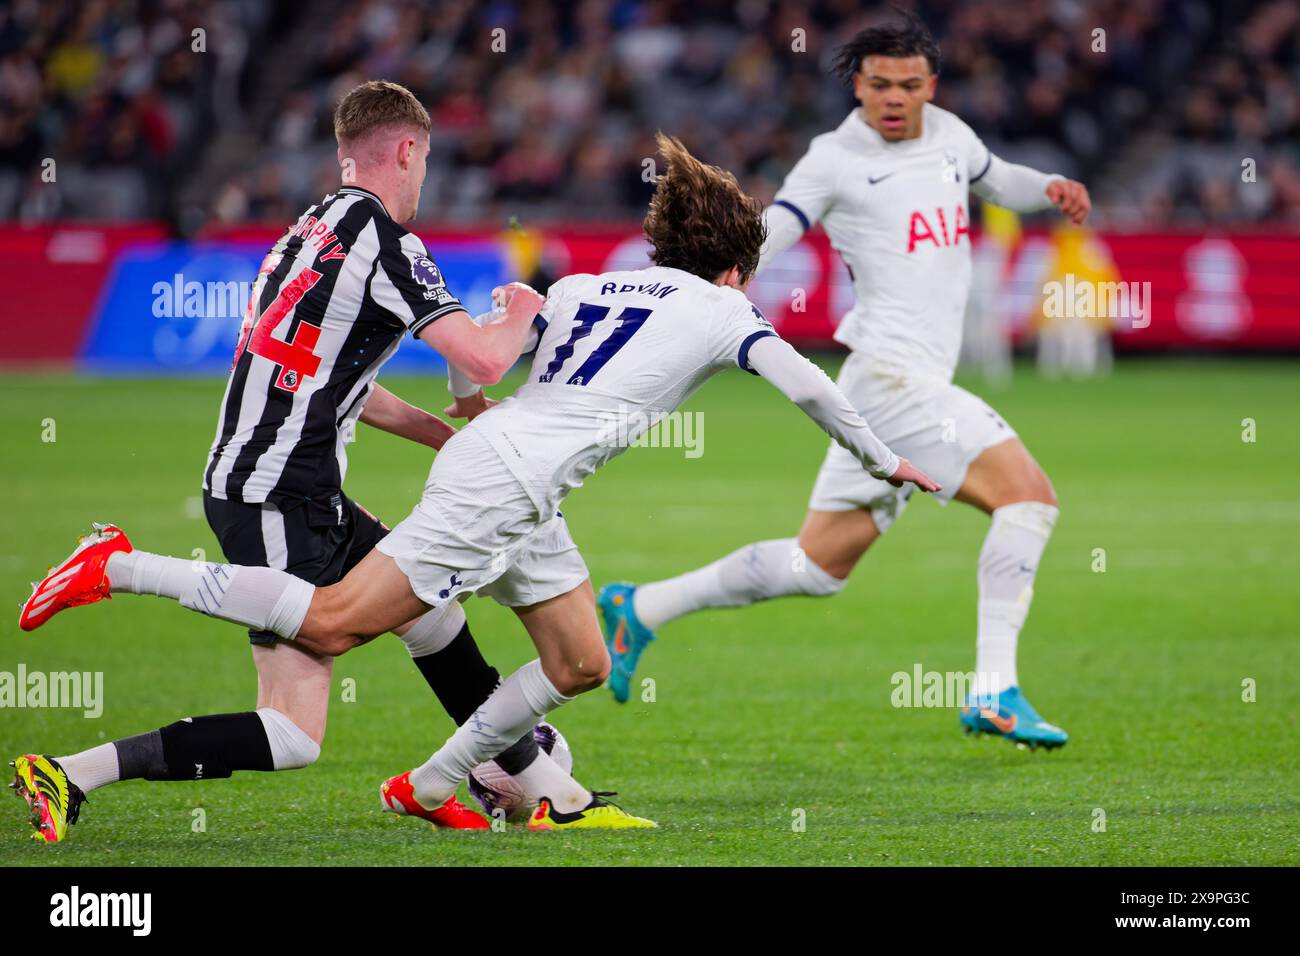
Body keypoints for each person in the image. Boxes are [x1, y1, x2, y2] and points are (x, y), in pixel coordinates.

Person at [20, 133, 938, 830]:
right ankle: (125, 568)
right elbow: (807, 380)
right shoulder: (724, 308)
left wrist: (464, 407)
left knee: (579, 660)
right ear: (736, 268)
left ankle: (516, 791)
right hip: (500, 487)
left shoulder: (587, 284)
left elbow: (480, 371)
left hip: (514, 476)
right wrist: (879, 457)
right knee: (338, 625)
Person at [10, 80, 594, 844]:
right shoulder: (385, 240)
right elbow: (484, 361)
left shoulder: (308, 230)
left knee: (418, 620)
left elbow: (340, 386)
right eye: (424, 164)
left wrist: (445, 439)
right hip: (282, 494)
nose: (423, 182)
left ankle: (537, 786)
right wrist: (524, 308)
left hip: (274, 484)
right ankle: (121, 570)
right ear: (409, 150)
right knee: (308, 697)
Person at [598, 14, 1091, 749]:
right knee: (1029, 499)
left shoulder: (952, 136)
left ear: (932, 85)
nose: (895, 99)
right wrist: (719, 270)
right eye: (880, 85)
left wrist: (1047, 185)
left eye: (910, 86)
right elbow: (777, 228)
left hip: (875, 387)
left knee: (817, 564)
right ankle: (995, 691)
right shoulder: (832, 159)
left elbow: (999, 179)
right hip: (896, 380)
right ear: (857, 84)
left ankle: (641, 608)